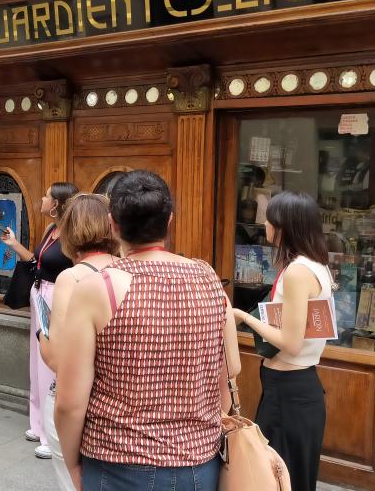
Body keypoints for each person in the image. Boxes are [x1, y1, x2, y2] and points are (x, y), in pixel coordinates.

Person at [54, 170, 241, 491]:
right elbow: (231, 370)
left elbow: (70, 403)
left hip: (118, 464)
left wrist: (71, 463)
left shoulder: (98, 289)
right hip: (198, 466)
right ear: (169, 221)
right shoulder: (208, 278)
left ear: (112, 224)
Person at [233, 191, 332, 491]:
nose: (265, 225)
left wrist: (245, 317)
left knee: (278, 481)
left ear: (284, 226)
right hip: (299, 390)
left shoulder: (298, 272)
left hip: (288, 395)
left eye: (270, 219)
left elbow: (290, 342)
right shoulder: (318, 266)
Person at [38, 193, 117, 490]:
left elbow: (56, 357)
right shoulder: (126, 270)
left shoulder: (71, 278)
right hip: (112, 404)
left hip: (76, 399)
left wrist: (42, 334)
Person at [0, 182, 78, 459]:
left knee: (50, 364)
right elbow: (36, 261)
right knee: (37, 359)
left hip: (58, 295)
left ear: (56, 204)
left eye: (46, 196)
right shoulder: (50, 230)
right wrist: (14, 245)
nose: (42, 199)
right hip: (40, 293)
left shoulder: (71, 234)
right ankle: (37, 422)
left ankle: (51, 432)